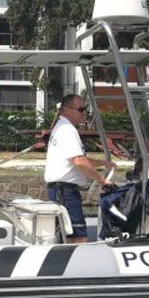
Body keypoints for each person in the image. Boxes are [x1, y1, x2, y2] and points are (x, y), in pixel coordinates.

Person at [44, 93, 116, 243]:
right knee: (78, 237)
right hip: (65, 191)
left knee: (67, 234)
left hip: (60, 189)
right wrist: (103, 181)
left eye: (86, 109)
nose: (85, 113)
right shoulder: (67, 130)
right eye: (81, 109)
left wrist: (103, 163)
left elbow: (76, 159)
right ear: (66, 110)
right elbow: (79, 161)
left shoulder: (61, 127)